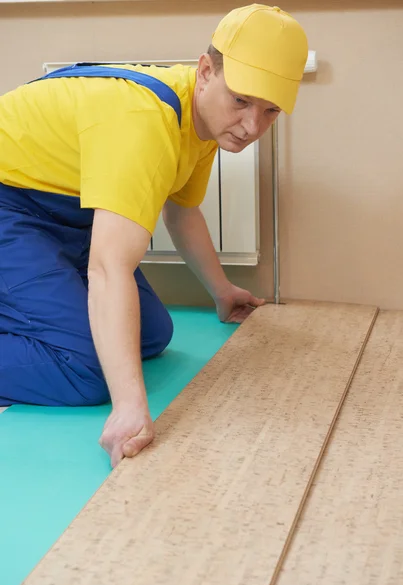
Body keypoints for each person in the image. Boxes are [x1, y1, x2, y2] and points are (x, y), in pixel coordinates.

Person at [0, 4, 308, 466]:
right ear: (206, 71)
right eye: (241, 101)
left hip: (57, 209)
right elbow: (107, 267)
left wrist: (221, 292)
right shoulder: (144, 121)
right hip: (11, 205)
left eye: (270, 111)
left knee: (152, 334)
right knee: (85, 370)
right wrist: (128, 407)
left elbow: (183, 213)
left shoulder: (200, 121)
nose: (251, 127)